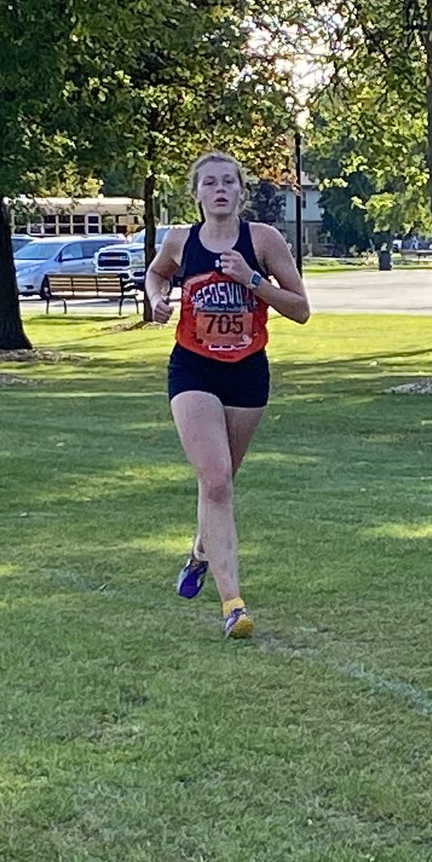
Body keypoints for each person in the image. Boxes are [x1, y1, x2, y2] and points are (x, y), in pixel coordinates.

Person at [144, 151, 310, 639]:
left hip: (247, 373)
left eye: (228, 183)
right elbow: (157, 274)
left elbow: (300, 309)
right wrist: (157, 299)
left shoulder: (263, 240)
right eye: (209, 183)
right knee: (214, 480)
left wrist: (252, 280)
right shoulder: (180, 241)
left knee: (221, 483)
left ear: (241, 192)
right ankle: (233, 605)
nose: (219, 190)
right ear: (196, 193)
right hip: (193, 368)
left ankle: (200, 551)